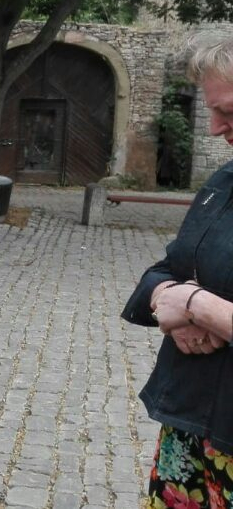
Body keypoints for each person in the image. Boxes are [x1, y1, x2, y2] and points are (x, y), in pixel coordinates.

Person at [124, 37, 233, 507]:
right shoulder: (223, 182)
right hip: (191, 426)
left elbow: (190, 293)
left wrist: (196, 304)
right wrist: (164, 294)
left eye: (227, 111)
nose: (213, 129)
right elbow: (167, 267)